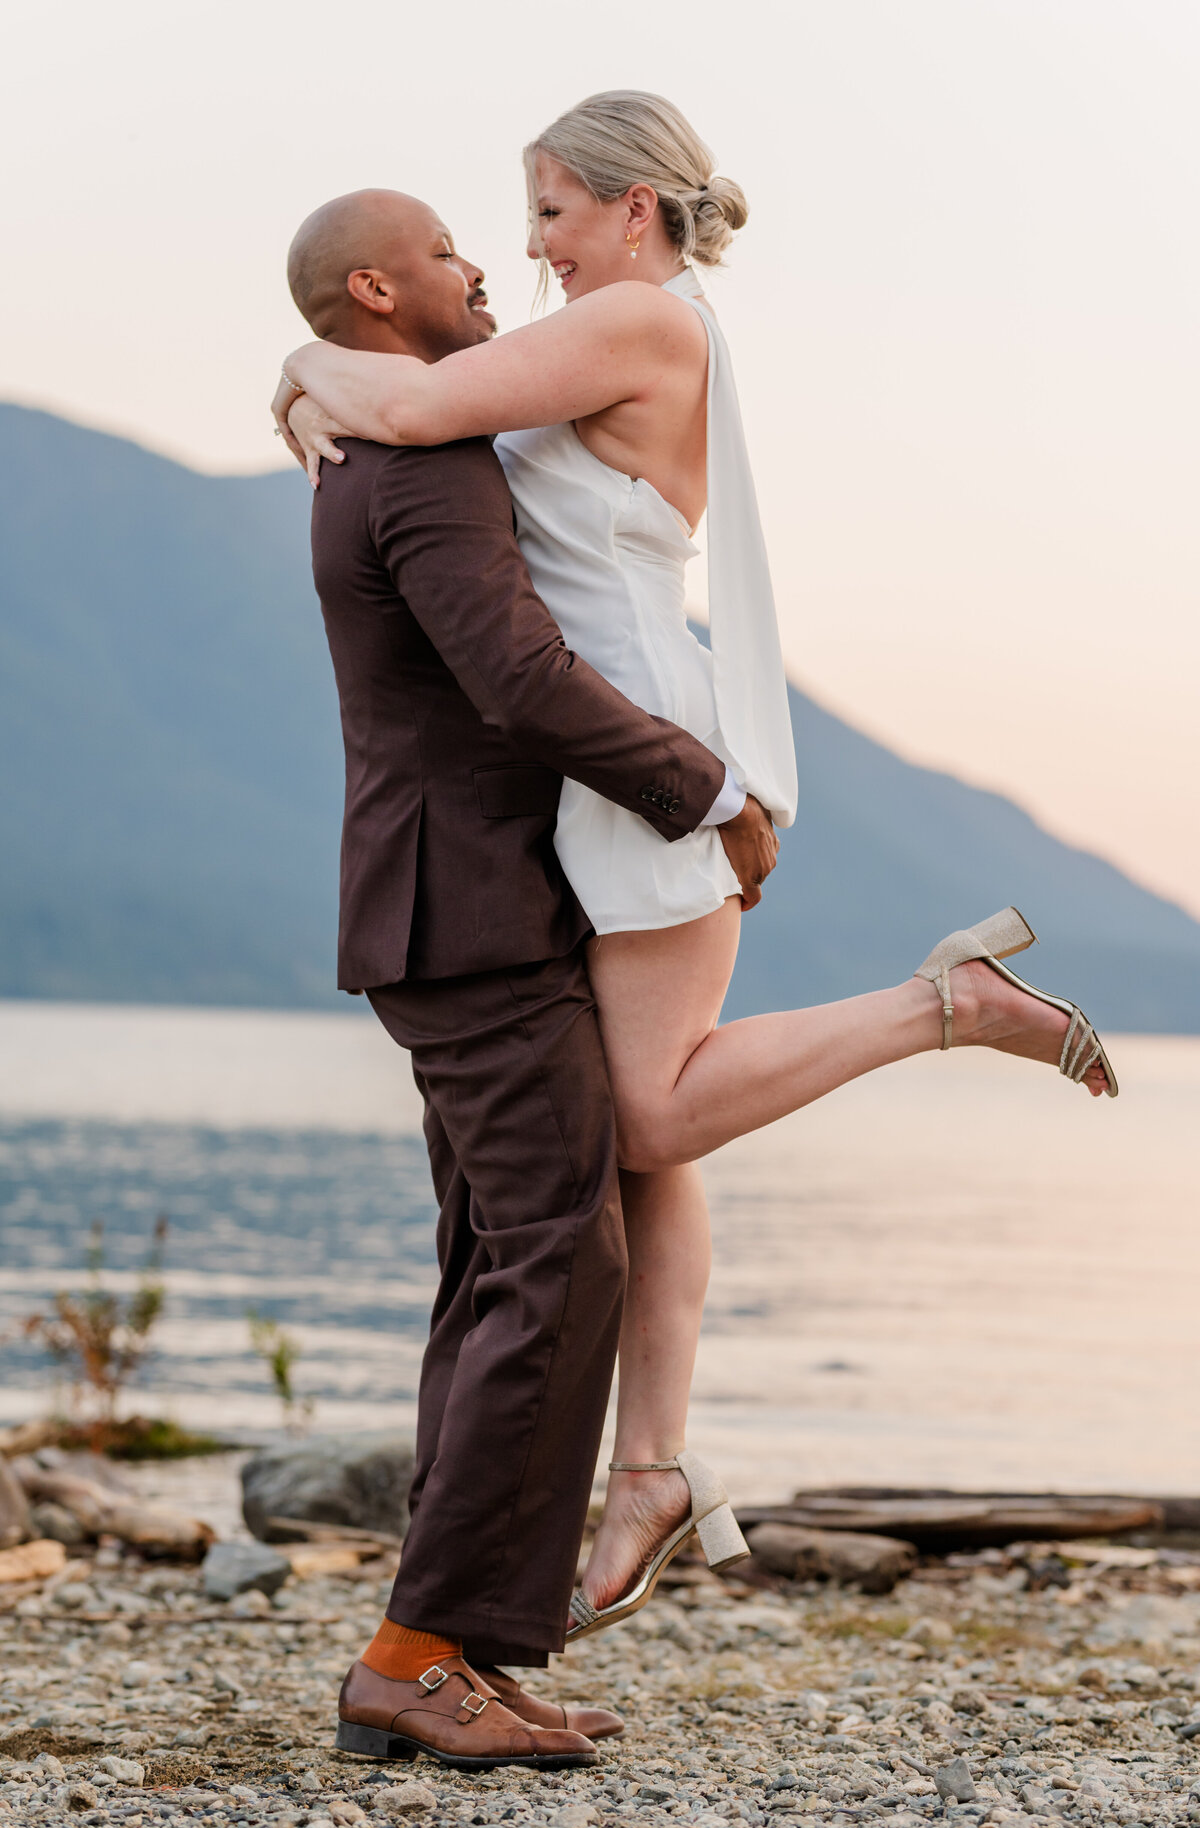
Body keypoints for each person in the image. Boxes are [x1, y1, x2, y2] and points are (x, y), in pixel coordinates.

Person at [275, 92, 1117, 1646]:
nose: (531, 246)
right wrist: (318, 363)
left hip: (648, 747)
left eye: (549, 212)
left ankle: (945, 1007)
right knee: (645, 1138)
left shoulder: (646, 321)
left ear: (634, 209)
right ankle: (649, 1470)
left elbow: (412, 399)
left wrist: (305, 364)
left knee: (652, 1115)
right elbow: (416, 386)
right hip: (610, 759)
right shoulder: (599, 332)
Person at [286, 184, 777, 1766]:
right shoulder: (423, 459)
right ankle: (410, 1658)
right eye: (446, 250)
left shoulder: (386, 440)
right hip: (472, 916)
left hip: (460, 910)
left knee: (501, 1273)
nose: (484, 263)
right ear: (378, 291)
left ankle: (467, 1651)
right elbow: (518, 677)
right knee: (560, 1265)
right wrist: (705, 788)